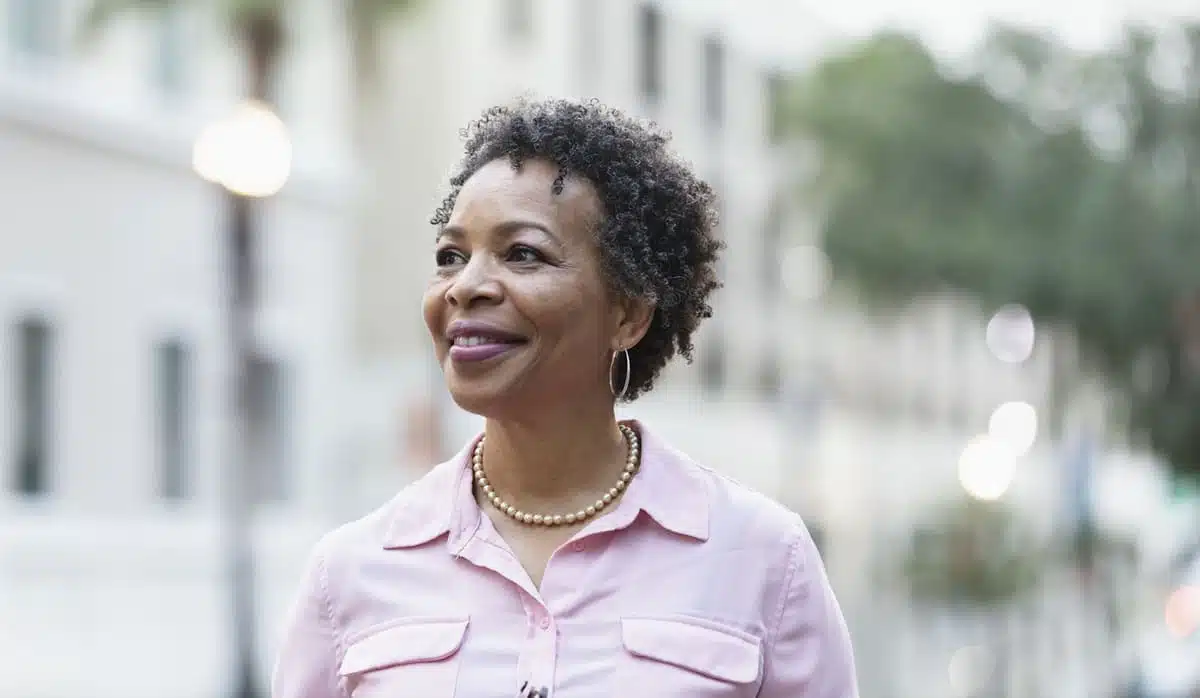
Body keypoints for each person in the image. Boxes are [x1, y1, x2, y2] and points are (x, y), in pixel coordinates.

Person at [271, 98, 858, 698]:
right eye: (451, 256)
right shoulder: (349, 573)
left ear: (627, 314)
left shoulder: (761, 557)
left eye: (522, 253)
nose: (467, 285)